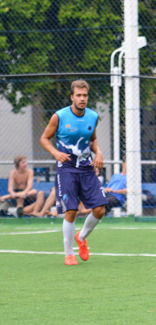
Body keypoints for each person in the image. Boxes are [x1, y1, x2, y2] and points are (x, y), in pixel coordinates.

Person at [39, 80, 107, 265]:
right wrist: (55, 152)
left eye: (85, 95)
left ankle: (82, 237)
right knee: (71, 210)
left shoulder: (93, 116)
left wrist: (98, 152)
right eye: (78, 95)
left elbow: (92, 140)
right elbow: (44, 138)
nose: (82, 98)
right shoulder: (59, 117)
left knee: (100, 209)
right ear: (72, 97)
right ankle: (69, 254)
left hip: (86, 168)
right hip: (67, 167)